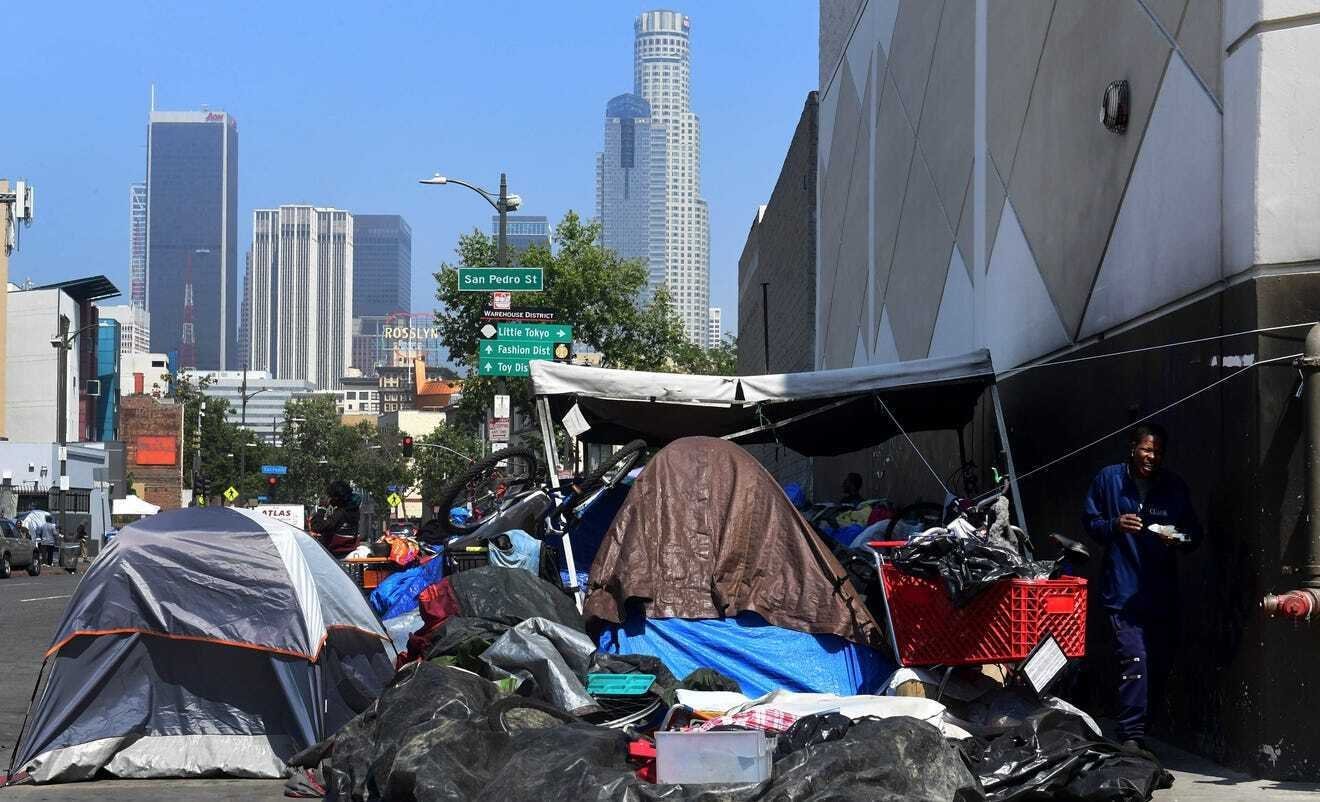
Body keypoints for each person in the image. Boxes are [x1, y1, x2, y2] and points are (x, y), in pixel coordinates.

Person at [1083, 423, 1201, 751]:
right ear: (1133, 447)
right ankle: (1131, 735)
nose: (1152, 457)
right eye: (1147, 449)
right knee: (1134, 659)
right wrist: (1114, 525)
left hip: (1161, 595)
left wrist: (1174, 536)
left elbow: (1194, 537)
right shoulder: (1108, 480)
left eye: (1158, 452)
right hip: (1123, 592)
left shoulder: (1174, 487)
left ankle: (1144, 728)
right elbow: (1090, 523)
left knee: (1159, 662)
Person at [309, 480, 362, 559]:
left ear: (337, 498)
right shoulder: (353, 510)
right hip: (347, 548)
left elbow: (317, 527)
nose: (329, 499)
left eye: (330, 496)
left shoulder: (341, 513)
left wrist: (322, 508)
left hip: (336, 552)